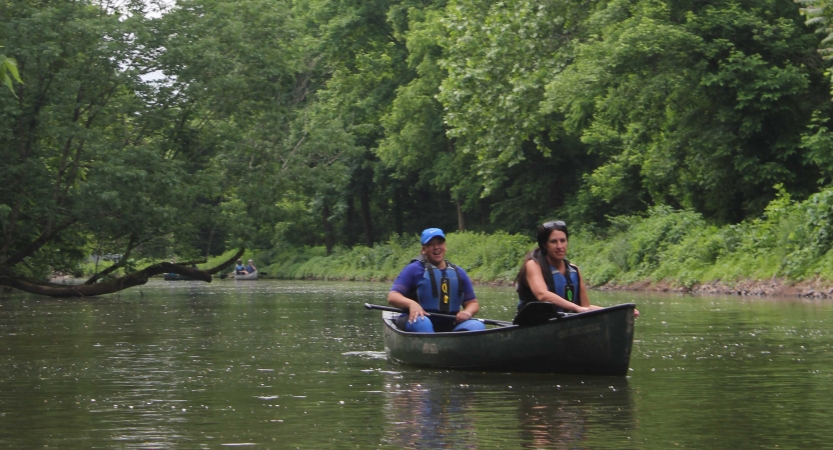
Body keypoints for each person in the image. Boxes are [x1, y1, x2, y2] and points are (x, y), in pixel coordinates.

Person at [387, 228, 486, 332]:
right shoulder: (413, 269)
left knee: (477, 326)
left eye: (440, 243)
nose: (436, 247)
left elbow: (472, 303)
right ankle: (430, 347)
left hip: (450, 322)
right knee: (423, 323)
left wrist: (467, 312)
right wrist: (412, 304)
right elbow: (393, 296)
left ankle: (456, 345)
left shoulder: (459, 272)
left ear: (445, 246)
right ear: (423, 250)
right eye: (431, 244)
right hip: (417, 320)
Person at [515, 220, 604, 314]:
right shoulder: (533, 265)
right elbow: (542, 295)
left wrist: (612, 311)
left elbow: (585, 307)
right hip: (534, 322)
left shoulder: (574, 270)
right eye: (553, 242)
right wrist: (576, 308)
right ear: (545, 245)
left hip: (564, 322)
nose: (559, 246)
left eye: (563, 241)